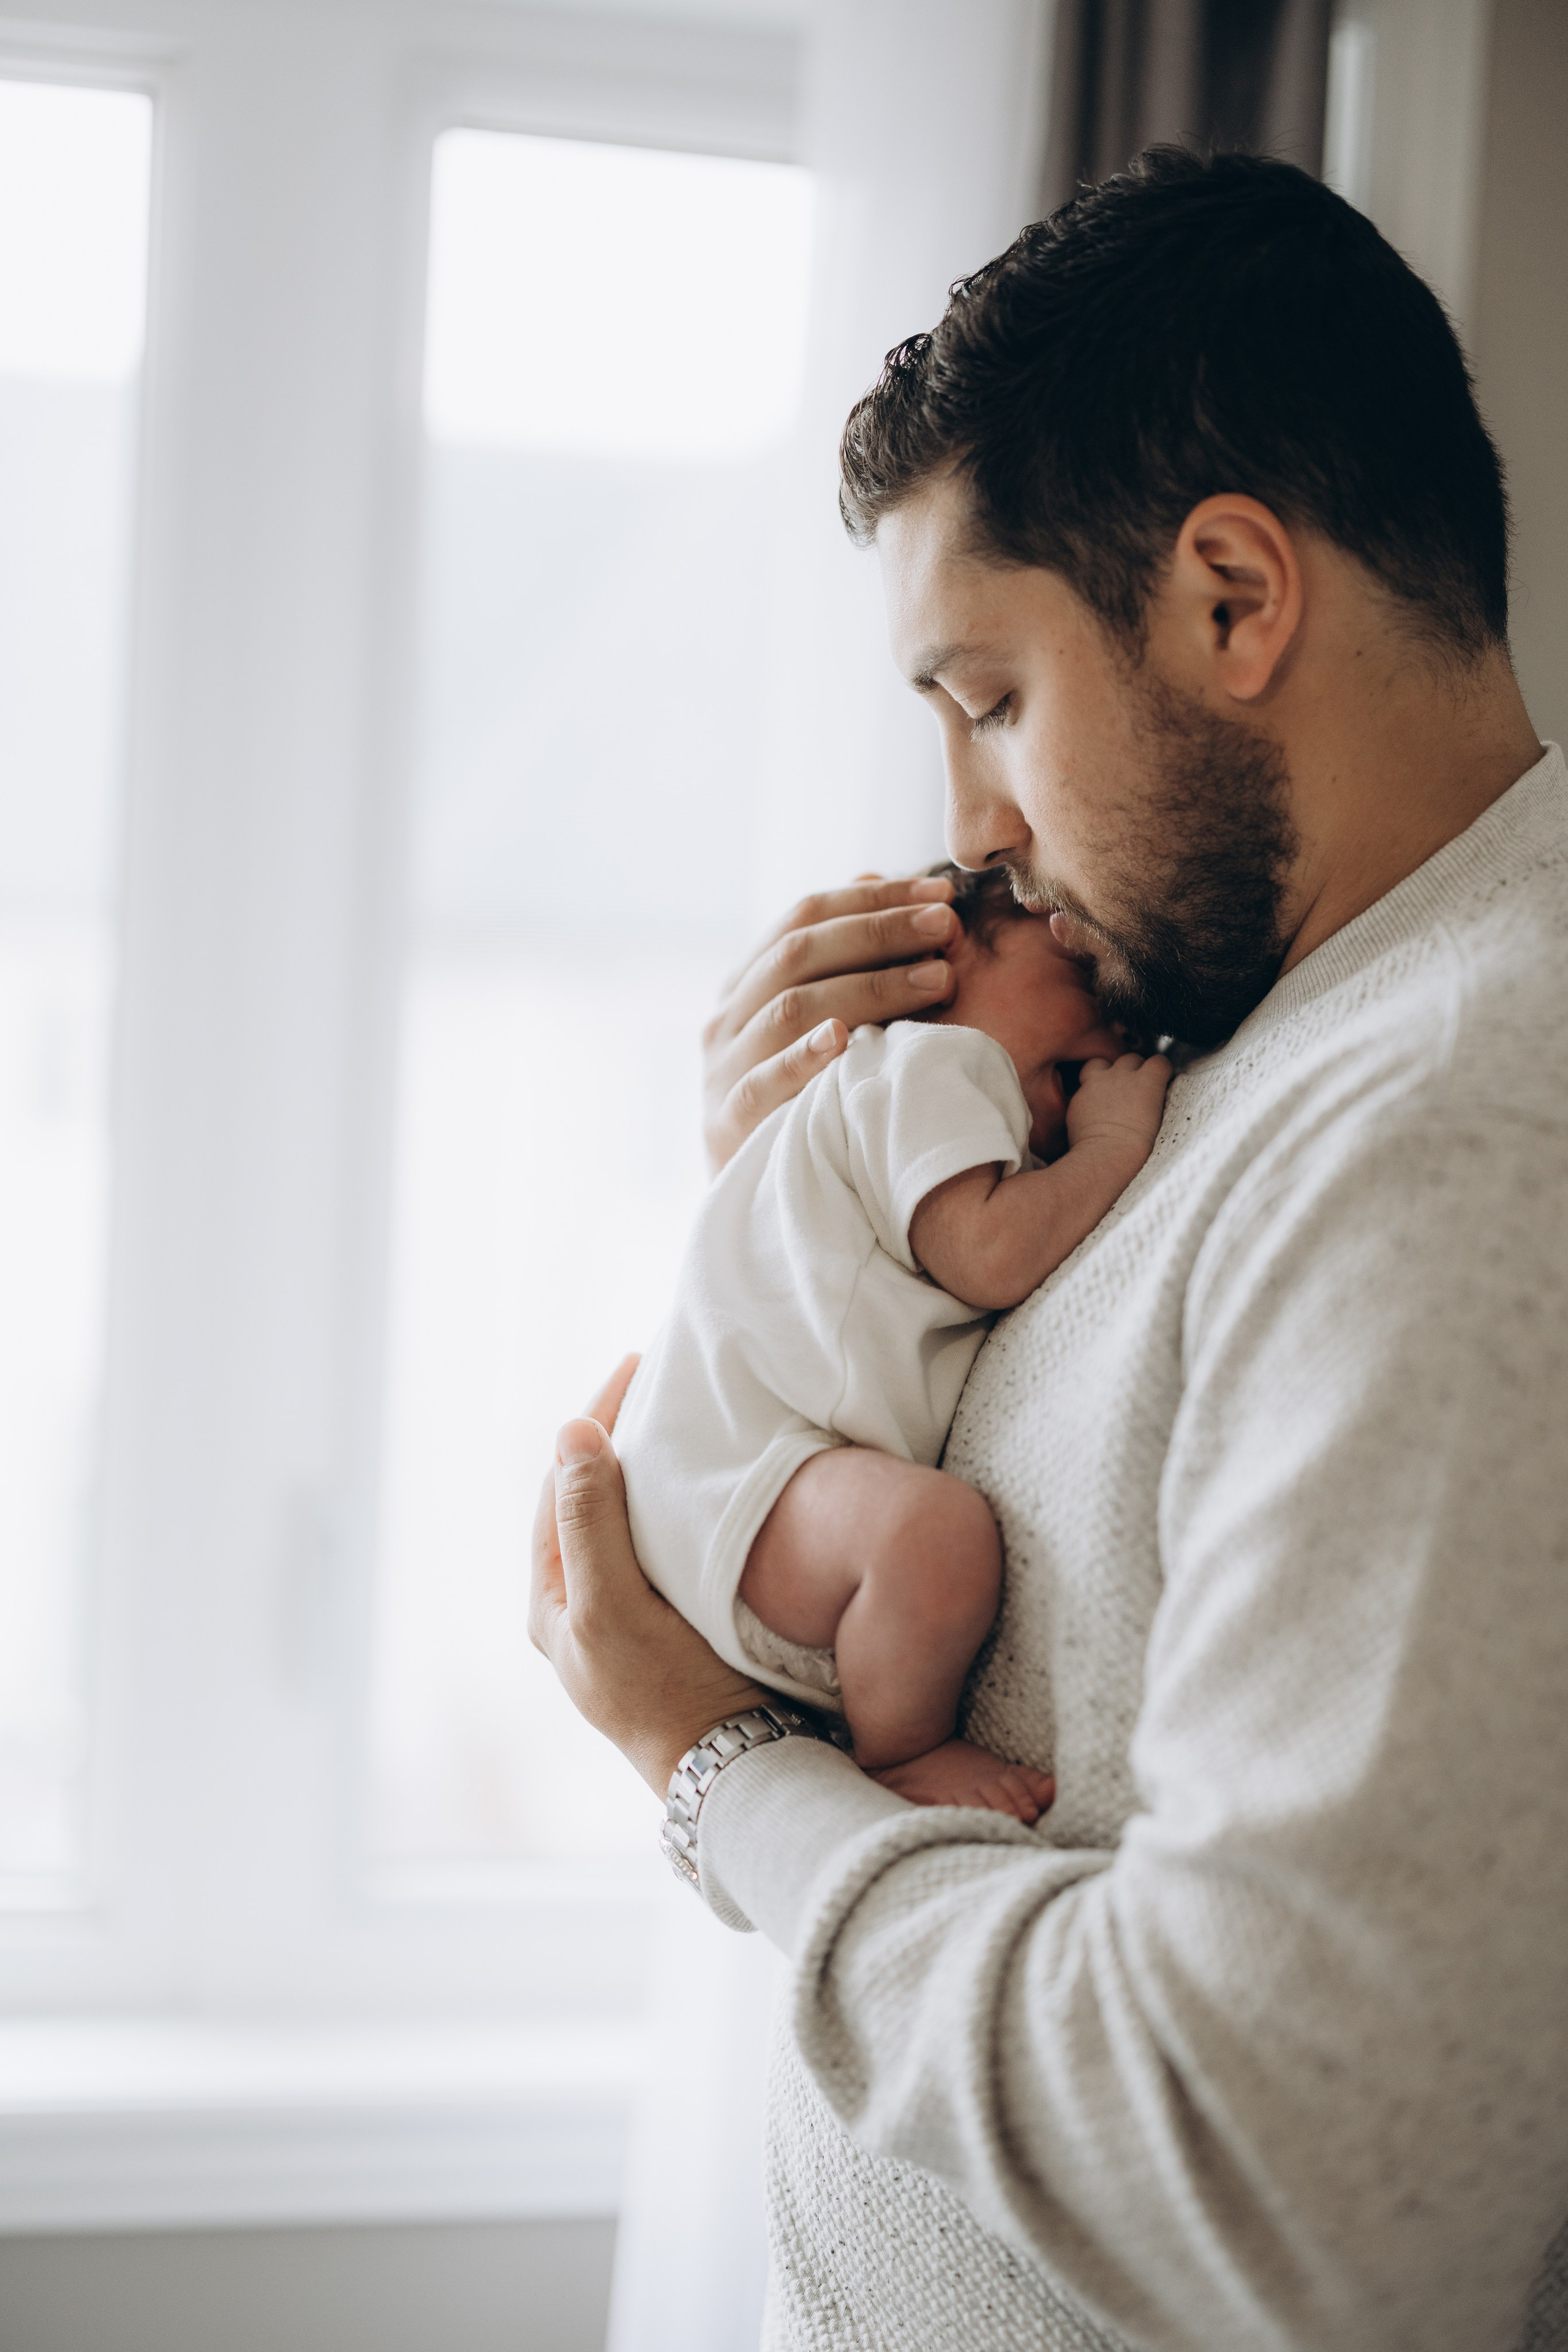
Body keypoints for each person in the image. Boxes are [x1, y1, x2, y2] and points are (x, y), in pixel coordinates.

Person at [532, 147, 1568, 2351]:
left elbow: (1298, 2196)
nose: (972, 832)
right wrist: (812, 1220)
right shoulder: (1257, 1038)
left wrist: (719, 1774)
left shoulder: (1462, 1119)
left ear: (1233, 599)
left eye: (990, 699)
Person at [615, 863, 1169, 1813]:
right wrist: (1112, 1146)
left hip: (737, 1480)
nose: (1119, 1029)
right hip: (739, 1472)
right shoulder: (932, 1063)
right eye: (1080, 970)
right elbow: (989, 1254)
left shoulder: (902, 1107)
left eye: (1139, 1025)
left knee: (918, 1542)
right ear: (938, 961)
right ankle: (902, 1754)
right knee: (934, 1539)